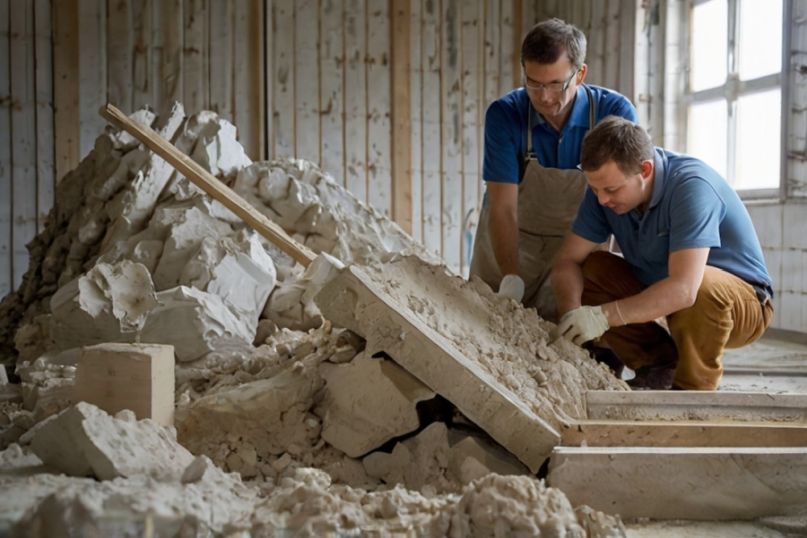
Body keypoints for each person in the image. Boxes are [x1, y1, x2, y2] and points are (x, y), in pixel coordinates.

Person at [550, 116, 774, 390]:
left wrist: (602, 316)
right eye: (595, 189)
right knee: (593, 269)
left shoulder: (691, 187)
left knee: (700, 285)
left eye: (611, 189)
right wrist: (573, 316)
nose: (602, 199)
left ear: (645, 170)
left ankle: (692, 390)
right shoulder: (604, 195)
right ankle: (658, 366)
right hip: (669, 295)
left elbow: (685, 289)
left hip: (741, 304)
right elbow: (568, 261)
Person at [469, 18, 637, 321]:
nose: (544, 97)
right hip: (513, 236)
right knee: (484, 320)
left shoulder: (614, 113)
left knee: (566, 329)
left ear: (580, 74)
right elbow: (503, 207)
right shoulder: (505, 115)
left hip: (579, 240)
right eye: (533, 83)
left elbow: (621, 202)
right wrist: (510, 276)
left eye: (556, 84)